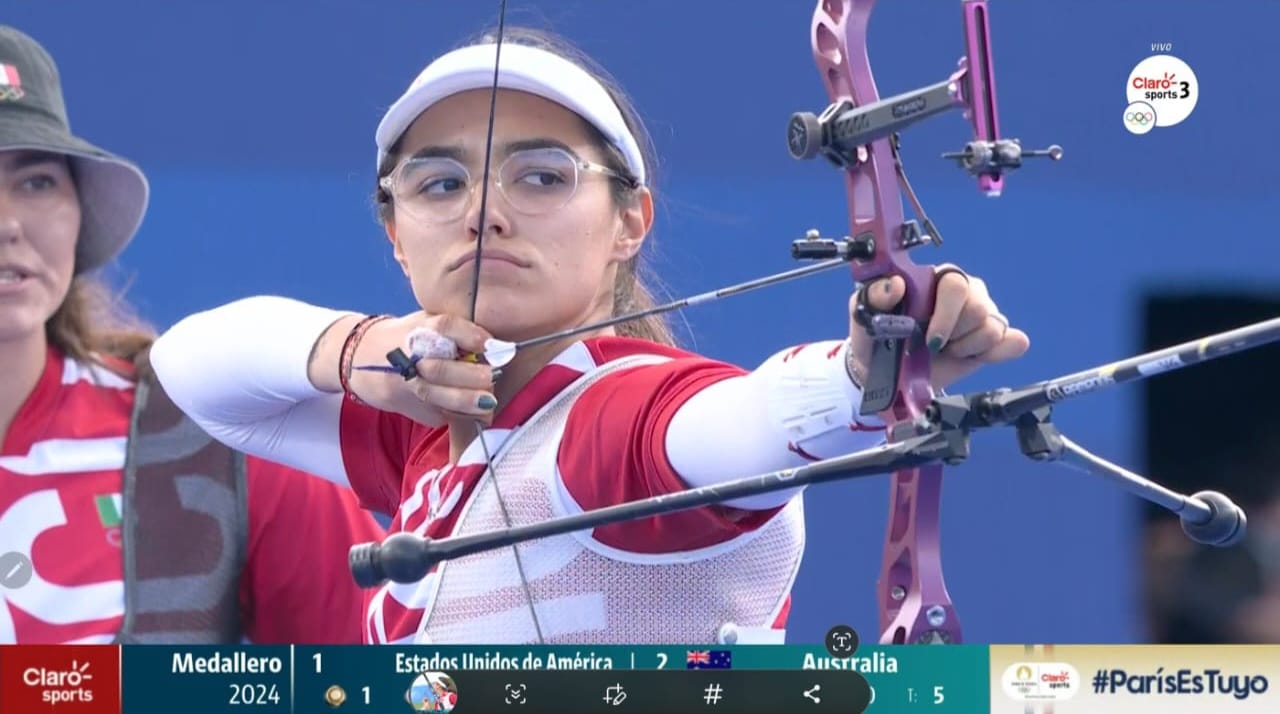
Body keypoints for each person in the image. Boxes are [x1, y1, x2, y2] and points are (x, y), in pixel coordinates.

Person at [149, 26, 1029, 645]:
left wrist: (862, 372)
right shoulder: (428, 431)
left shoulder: (621, 415)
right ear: (393, 233)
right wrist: (359, 351)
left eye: (541, 175)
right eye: (439, 185)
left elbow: (744, 421)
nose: (484, 213)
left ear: (629, 223)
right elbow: (189, 367)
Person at [0, 25, 385, 644]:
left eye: (37, 180)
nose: (7, 222)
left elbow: (368, 687)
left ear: (78, 212)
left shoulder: (220, 430)